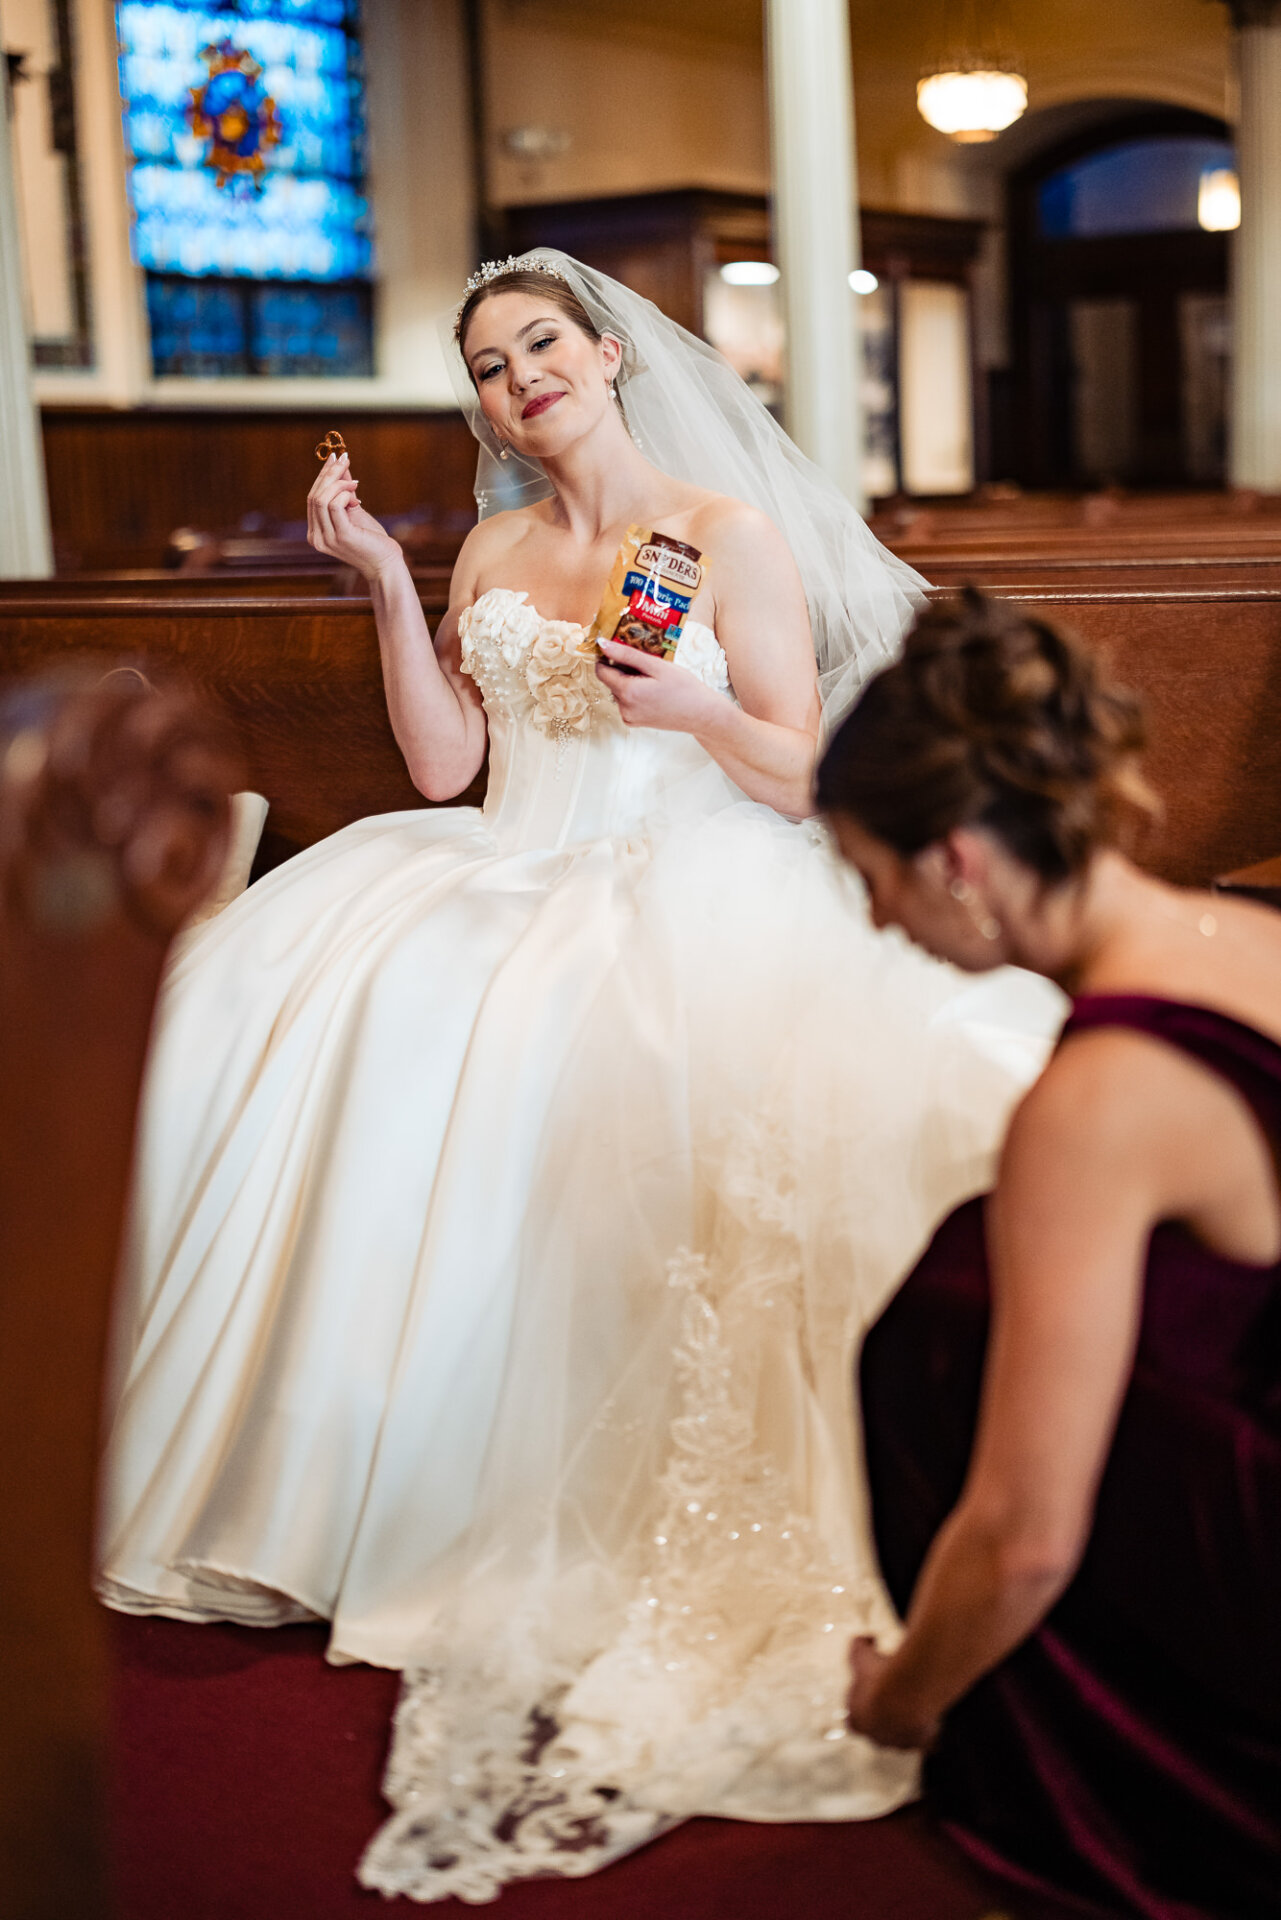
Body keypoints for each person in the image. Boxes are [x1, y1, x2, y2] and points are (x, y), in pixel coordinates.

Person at [98, 254, 1062, 1901]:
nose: (515, 375)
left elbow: (800, 774)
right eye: (485, 363)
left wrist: (688, 704)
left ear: (608, 353)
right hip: (490, 860)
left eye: (538, 342)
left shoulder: (721, 531)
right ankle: (334, 1488)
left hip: (676, 873)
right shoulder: (487, 542)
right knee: (304, 1008)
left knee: (570, 1042)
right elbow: (445, 766)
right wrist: (389, 591)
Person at [822, 590, 1281, 1920]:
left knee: (942, 1332)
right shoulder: (1247, 932)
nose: (871, 923)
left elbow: (1025, 1538)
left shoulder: (1092, 1104)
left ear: (957, 860)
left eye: (871, 877)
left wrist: (898, 1700)